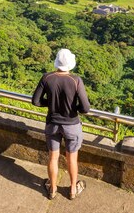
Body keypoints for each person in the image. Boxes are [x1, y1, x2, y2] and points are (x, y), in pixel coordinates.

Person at [32, 48, 90, 200]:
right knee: (72, 158)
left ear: (56, 62)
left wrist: (51, 104)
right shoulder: (76, 80)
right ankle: (72, 190)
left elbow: (36, 101)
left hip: (52, 124)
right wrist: (72, 108)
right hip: (71, 125)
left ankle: (52, 188)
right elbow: (85, 108)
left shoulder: (47, 78)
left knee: (53, 157)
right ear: (71, 64)